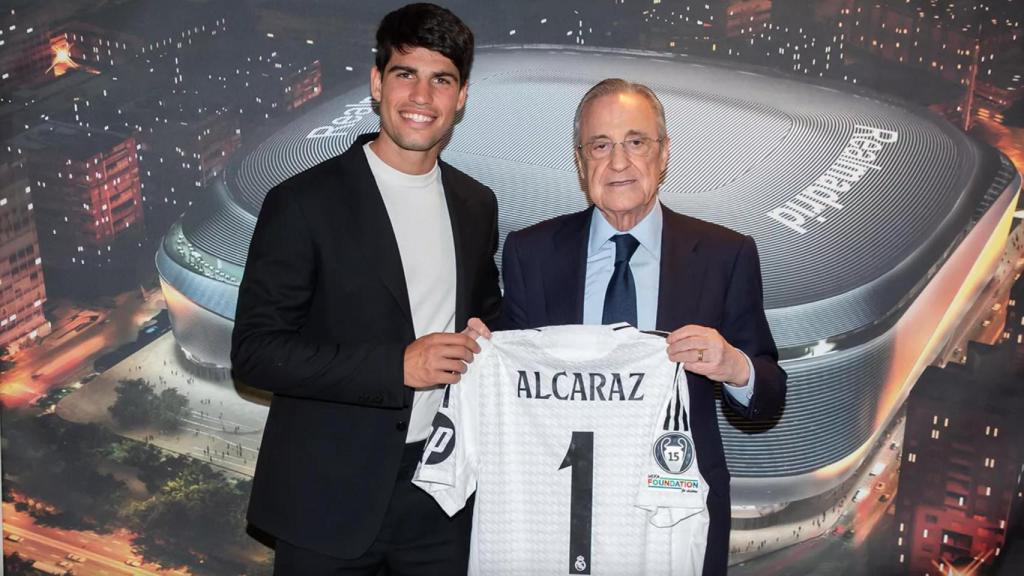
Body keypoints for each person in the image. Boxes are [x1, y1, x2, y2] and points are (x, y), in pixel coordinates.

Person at [230, 4, 500, 574]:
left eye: (441, 79)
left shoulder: (476, 204)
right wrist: (395, 366)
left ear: (462, 97)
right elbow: (256, 354)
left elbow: (486, 310)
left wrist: (494, 337)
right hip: (327, 499)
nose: (422, 96)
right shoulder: (302, 202)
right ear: (378, 84)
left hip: (443, 498)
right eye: (406, 74)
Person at [498, 78, 787, 575]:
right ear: (579, 159)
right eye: (600, 145)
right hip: (558, 512)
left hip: (677, 511)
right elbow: (513, 389)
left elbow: (770, 394)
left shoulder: (724, 255)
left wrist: (735, 367)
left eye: (635, 142)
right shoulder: (530, 253)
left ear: (663, 153)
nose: (618, 162)